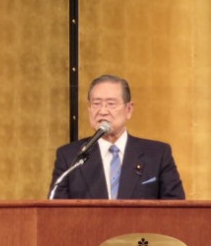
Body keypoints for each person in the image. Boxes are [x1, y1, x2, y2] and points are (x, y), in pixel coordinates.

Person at [49, 74, 185, 199]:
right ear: (89, 109)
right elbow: (56, 211)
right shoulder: (70, 157)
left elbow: (176, 209)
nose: (103, 111)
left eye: (111, 104)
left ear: (129, 109)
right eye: (96, 104)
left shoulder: (157, 154)